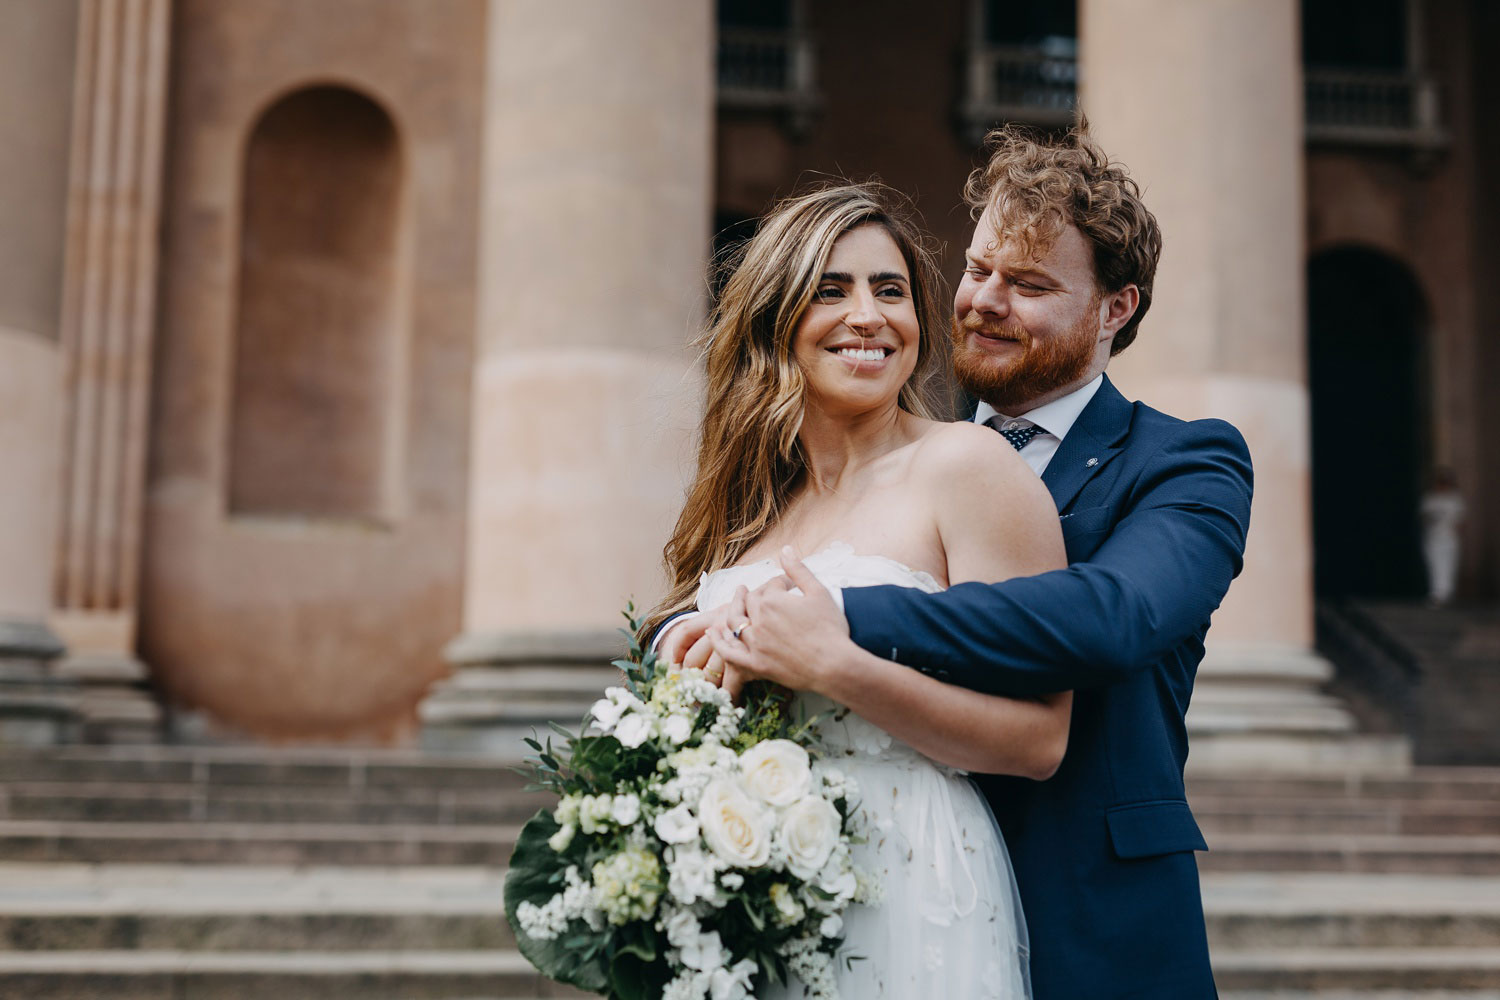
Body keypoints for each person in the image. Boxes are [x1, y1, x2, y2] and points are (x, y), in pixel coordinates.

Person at [669, 124, 1254, 999]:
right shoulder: (890, 452)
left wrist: (838, 619)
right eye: (978, 270)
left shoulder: (1185, 462)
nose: (983, 302)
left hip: (1090, 907)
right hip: (852, 889)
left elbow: (1113, 616)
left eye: (1027, 284)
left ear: (1115, 310)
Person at [645, 181, 1075, 997]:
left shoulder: (969, 468)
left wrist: (834, 667)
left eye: (891, 291)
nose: (869, 316)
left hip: (912, 876)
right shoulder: (752, 503)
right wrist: (682, 657)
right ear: (777, 319)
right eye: (831, 289)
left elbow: (1039, 740)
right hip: (753, 888)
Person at [1420, 467, 1464, 606]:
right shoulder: (1430, 499)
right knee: (1435, 565)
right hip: (1433, 538)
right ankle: (1437, 594)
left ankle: (1446, 593)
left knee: (1448, 565)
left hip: (1449, 538)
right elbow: (1423, 517)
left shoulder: (1455, 500)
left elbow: (1461, 521)